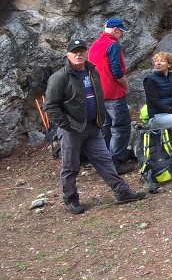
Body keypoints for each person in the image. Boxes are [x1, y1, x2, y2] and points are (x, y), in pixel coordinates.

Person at [44, 38, 147, 214]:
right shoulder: (60, 77)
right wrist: (66, 124)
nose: (78, 54)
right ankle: (71, 199)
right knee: (70, 166)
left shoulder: (92, 72)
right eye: (74, 51)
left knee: (105, 161)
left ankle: (122, 192)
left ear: (86, 53)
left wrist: (100, 118)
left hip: (93, 126)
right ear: (67, 55)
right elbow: (51, 106)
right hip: (72, 130)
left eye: (81, 51)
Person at [88, 17, 134, 174]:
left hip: (98, 94)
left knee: (105, 127)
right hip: (113, 93)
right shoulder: (112, 45)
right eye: (121, 32)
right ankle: (116, 163)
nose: (122, 35)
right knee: (120, 127)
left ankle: (103, 163)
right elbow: (116, 70)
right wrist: (125, 85)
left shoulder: (94, 46)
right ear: (115, 30)